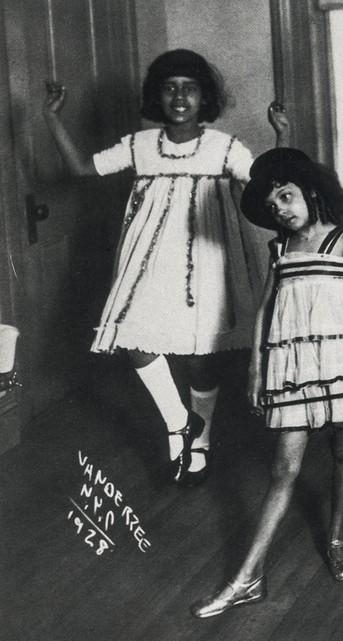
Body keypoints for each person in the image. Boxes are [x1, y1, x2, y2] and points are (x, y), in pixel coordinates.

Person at [191, 147, 343, 618]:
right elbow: (266, 309)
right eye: (271, 206)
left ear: (309, 192)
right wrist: (256, 368)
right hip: (297, 369)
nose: (281, 209)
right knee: (283, 471)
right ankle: (248, 577)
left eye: (286, 196)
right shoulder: (279, 249)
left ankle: (337, 536)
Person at [42, 49, 288, 486]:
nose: (179, 97)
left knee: (200, 361)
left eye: (189, 89)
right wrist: (52, 119)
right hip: (151, 264)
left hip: (209, 264)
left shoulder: (224, 147)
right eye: (170, 88)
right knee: (134, 337)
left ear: (203, 98)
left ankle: (199, 448)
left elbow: (272, 184)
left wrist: (282, 135)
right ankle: (179, 423)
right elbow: (82, 168)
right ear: (158, 97)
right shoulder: (139, 146)